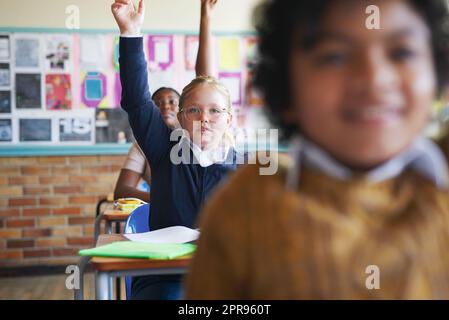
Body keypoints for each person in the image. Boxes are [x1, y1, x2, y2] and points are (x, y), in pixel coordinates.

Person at [185, 0, 449, 299]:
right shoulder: (247, 208)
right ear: (286, 86)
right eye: (335, 57)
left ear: (437, 73)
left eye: (402, 52)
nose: (374, 80)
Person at [111, 0, 237, 299]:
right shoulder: (163, 148)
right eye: (193, 110)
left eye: (215, 111)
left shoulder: (242, 165)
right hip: (163, 277)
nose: (204, 118)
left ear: (229, 119)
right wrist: (131, 33)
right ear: (181, 118)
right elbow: (138, 101)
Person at [113, 87, 181, 203]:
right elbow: (121, 191)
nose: (165, 106)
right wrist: (167, 200)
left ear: (183, 109)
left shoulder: (195, 141)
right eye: (157, 104)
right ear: (150, 113)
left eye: (172, 102)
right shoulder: (141, 146)